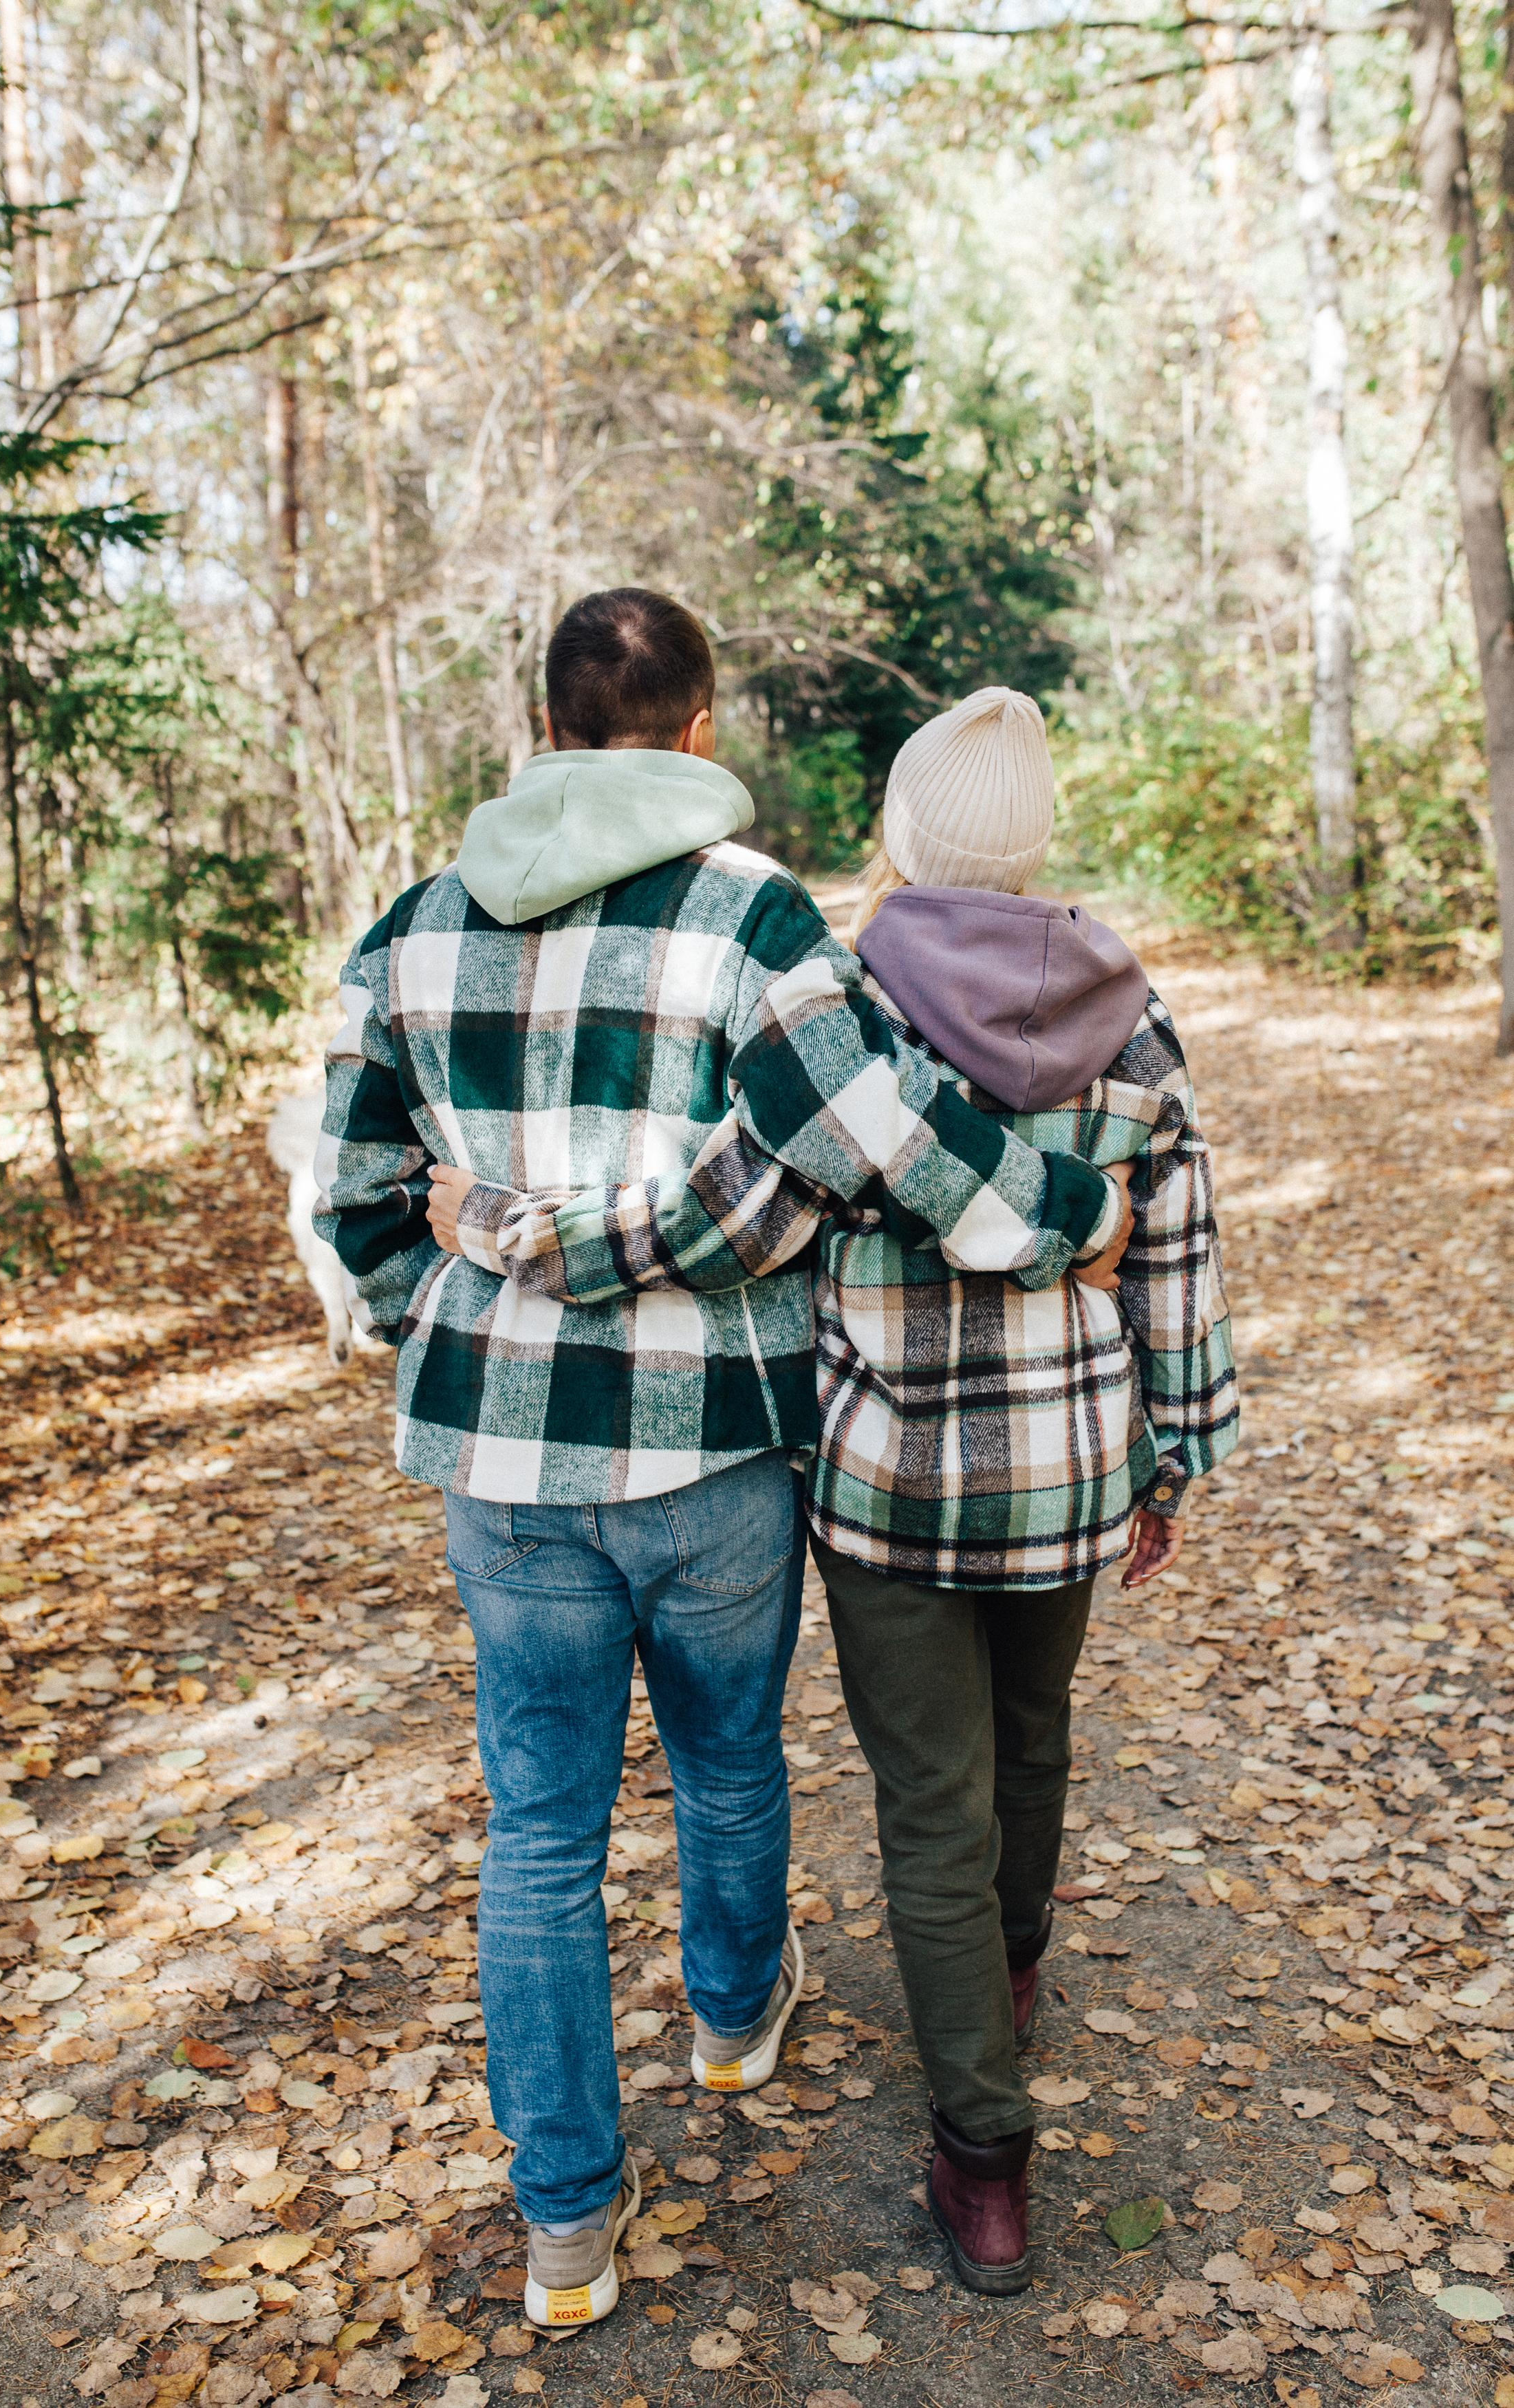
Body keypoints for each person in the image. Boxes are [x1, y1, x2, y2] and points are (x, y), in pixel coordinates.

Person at [316, 597, 1133, 2331]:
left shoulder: (412, 928)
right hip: (710, 1448)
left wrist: (448, 1332)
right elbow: (894, 1141)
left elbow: (358, 1195)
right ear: (696, 737)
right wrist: (1077, 1214)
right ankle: (735, 2014)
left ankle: (566, 2225)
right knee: (724, 1751)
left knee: (537, 1828)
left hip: (503, 1463)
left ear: (539, 721)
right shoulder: (749, 915)